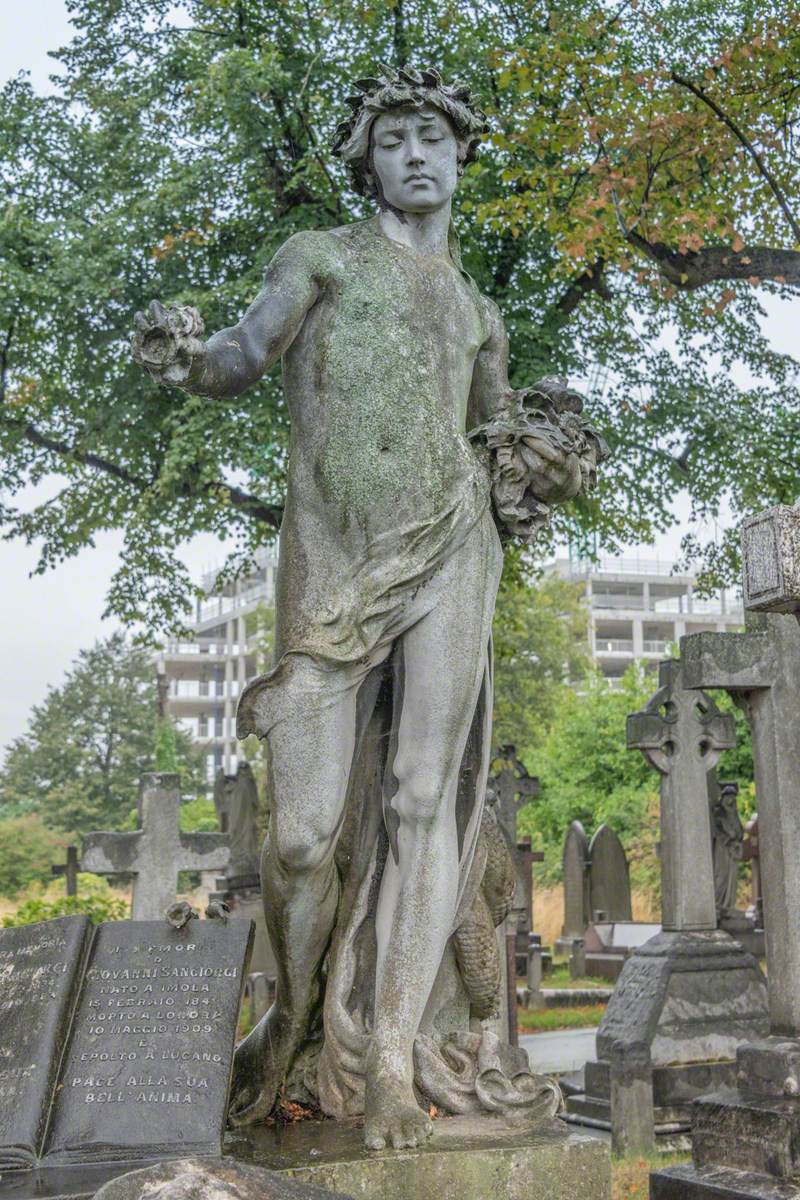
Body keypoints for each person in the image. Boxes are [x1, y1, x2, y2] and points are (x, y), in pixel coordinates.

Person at [132, 65, 601, 1149]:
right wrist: (187, 355)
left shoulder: (476, 308)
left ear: (459, 156)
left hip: (452, 551)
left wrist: (542, 469)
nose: (418, 154)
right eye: (394, 139)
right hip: (334, 565)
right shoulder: (323, 259)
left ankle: (390, 1061)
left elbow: (496, 446)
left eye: (435, 137)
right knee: (298, 839)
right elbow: (243, 354)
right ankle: (299, 1024)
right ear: (366, 157)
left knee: (420, 799)